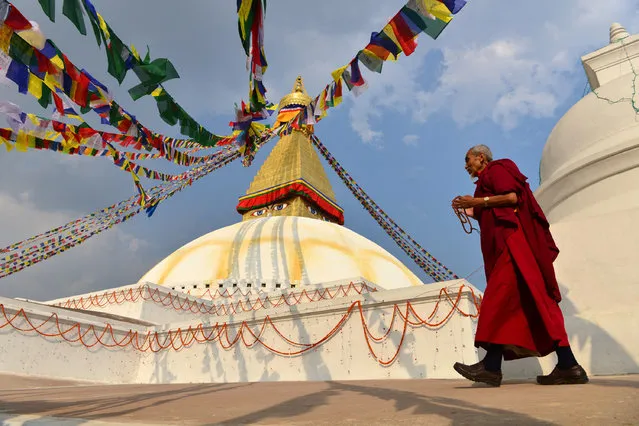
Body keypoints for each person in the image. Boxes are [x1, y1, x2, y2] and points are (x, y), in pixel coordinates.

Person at [451, 144, 589, 387]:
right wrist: (472, 209)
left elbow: (512, 197)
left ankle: (491, 367)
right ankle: (568, 366)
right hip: (508, 245)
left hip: (513, 244)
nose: (466, 165)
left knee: (497, 298)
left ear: (481, 157)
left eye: (468, 159)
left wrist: (478, 201)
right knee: (532, 302)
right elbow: (495, 210)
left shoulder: (498, 168)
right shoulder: (486, 181)